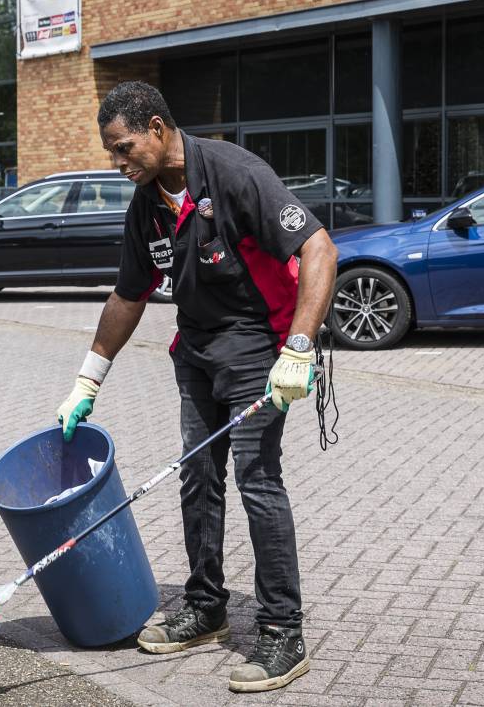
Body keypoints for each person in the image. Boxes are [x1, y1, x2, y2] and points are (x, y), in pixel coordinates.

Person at [55, 81, 338, 693]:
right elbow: (129, 294)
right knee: (198, 476)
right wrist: (88, 379)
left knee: (256, 478)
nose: (118, 161)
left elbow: (319, 248)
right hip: (198, 350)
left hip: (261, 348)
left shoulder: (235, 173)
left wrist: (300, 346)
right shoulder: (146, 205)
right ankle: (206, 607)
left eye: (124, 147)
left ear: (156, 128)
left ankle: (282, 632)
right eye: (112, 152)